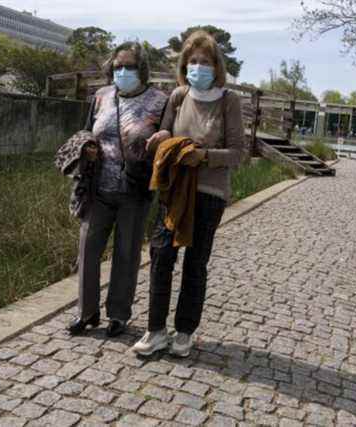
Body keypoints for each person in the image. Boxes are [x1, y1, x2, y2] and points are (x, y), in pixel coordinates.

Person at [131, 30, 244, 357]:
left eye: (205, 62)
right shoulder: (179, 96)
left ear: (217, 66)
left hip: (209, 192)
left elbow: (238, 152)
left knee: (196, 262)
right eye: (192, 61)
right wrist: (160, 138)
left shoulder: (229, 101)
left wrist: (205, 156)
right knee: (161, 254)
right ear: (184, 65)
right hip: (174, 188)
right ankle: (155, 330)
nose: (198, 67)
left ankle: (185, 330)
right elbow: (167, 128)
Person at [67, 42, 168, 337]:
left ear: (143, 69)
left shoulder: (159, 101)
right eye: (118, 66)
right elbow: (87, 131)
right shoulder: (101, 96)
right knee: (87, 249)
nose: (122, 71)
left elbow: (165, 144)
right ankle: (86, 313)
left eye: (130, 66)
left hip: (134, 191)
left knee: (126, 253)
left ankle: (119, 315)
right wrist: (86, 148)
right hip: (98, 187)